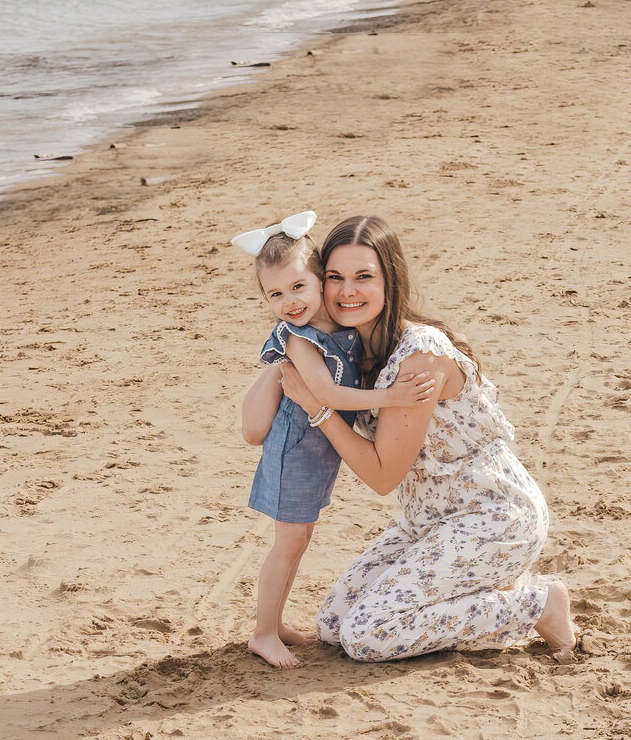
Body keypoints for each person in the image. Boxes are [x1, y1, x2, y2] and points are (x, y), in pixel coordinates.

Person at [276, 215, 576, 662]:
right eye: (335, 278)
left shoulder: (420, 356)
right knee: (334, 624)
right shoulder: (348, 354)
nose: (347, 292)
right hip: (429, 521)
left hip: (492, 517)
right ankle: (492, 585)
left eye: (364, 277)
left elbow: (383, 475)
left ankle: (537, 604)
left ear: (390, 281)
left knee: (368, 635)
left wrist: (316, 407)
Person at [233, 211, 435, 668]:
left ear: (321, 281)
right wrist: (391, 395)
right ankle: (263, 633)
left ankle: (276, 621)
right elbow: (324, 394)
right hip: (295, 451)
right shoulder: (300, 339)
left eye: (299, 287)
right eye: (275, 294)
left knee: (298, 541)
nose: (289, 301)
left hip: (318, 451)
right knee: (286, 544)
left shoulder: (340, 329)